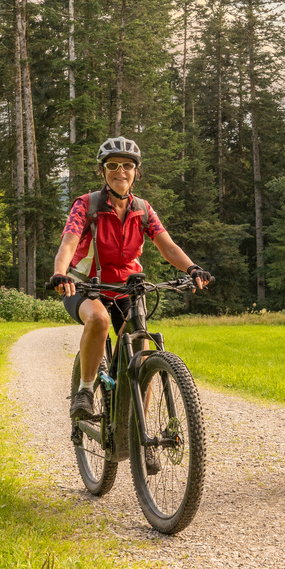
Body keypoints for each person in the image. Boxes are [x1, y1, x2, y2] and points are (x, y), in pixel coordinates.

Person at [51, 137, 211, 430]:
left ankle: (139, 431)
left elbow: (168, 246)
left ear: (136, 171)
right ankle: (85, 391)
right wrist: (60, 273)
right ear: (102, 171)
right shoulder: (86, 205)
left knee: (139, 350)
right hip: (85, 286)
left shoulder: (143, 210)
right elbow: (69, 242)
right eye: (112, 165)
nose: (120, 171)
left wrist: (192, 268)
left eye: (127, 165)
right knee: (98, 320)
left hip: (127, 289)